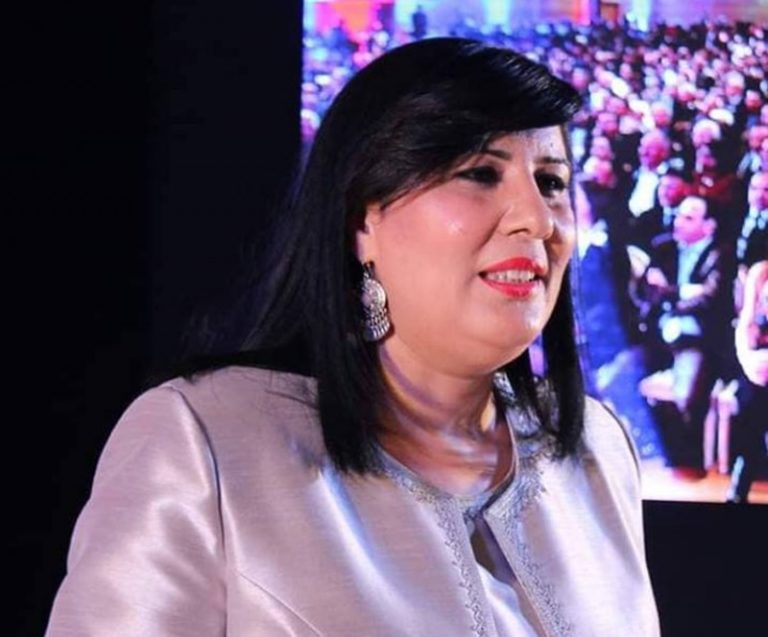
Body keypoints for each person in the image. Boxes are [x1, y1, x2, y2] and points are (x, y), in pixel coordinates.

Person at [45, 38, 659, 636]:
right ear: (363, 218)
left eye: (551, 182)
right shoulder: (207, 440)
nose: (538, 219)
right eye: (479, 173)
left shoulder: (596, 449)